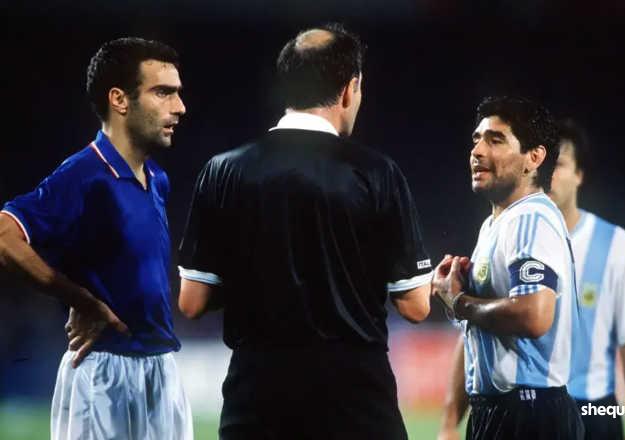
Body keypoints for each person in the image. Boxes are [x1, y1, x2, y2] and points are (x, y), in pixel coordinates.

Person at [177, 23, 432, 439]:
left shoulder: (223, 171)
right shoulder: (377, 173)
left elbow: (192, 302)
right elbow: (416, 306)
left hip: (256, 400)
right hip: (356, 402)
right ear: (349, 89)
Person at [0, 37, 192, 440]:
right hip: (103, 371)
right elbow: (5, 236)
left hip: (161, 367)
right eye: (163, 92)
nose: (179, 107)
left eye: (177, 93)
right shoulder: (85, 173)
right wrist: (81, 300)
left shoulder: (157, 178)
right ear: (119, 99)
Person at [433, 96, 584, 439]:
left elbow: (533, 315)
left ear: (534, 157)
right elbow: (478, 328)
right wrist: (457, 293)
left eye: (495, 140)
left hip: (530, 415)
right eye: (476, 139)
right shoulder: (495, 224)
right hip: (500, 412)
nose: (477, 151)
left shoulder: (530, 217)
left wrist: (459, 302)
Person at [549, 119, 625, 440]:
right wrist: (450, 420)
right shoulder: (513, 238)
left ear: (579, 175)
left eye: (559, 164)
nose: (548, 174)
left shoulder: (615, 245)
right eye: (542, 165)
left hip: (594, 411)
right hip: (528, 411)